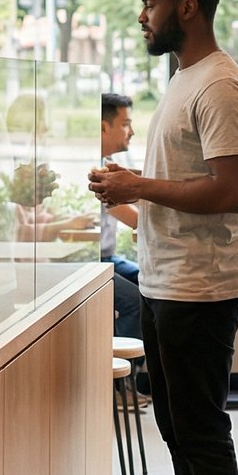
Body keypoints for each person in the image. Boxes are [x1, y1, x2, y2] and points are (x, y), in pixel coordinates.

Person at [89, 0, 238, 475]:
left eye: (151, 1)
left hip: (201, 287)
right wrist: (131, 188)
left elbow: (227, 190)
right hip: (167, 280)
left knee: (202, 433)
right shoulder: (187, 79)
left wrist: (135, 186)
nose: (142, 13)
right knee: (177, 429)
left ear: (186, 8)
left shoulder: (219, 86)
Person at [99, 91, 142, 343]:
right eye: (126, 124)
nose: (132, 132)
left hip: (109, 258)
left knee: (148, 280)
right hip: (94, 261)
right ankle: (122, 378)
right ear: (105, 127)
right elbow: (135, 220)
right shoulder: (101, 172)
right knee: (135, 302)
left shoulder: (108, 164)